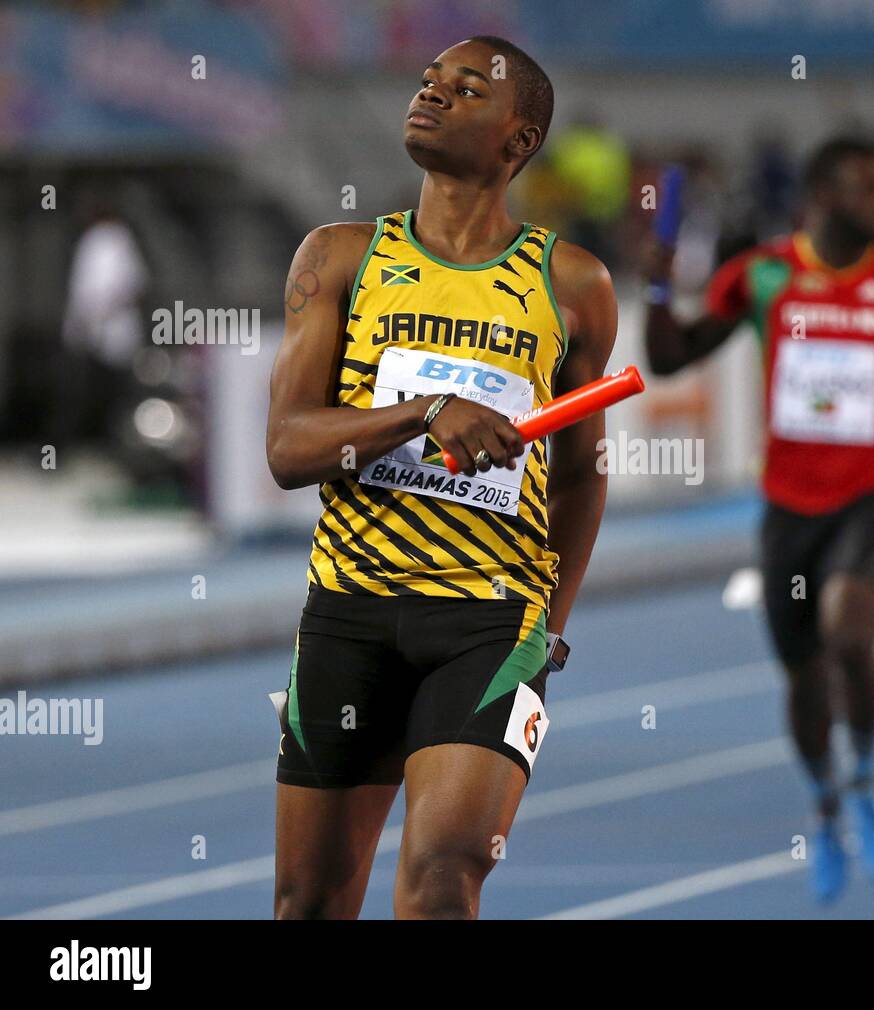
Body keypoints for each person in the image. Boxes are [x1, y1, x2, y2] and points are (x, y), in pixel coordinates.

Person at [265, 36, 617, 919]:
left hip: (490, 622)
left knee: (443, 875)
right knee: (307, 901)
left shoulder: (571, 284)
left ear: (518, 139)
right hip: (349, 612)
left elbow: (581, 475)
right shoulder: (340, 259)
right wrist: (424, 410)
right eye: (429, 82)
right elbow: (287, 449)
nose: (432, 94)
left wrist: (552, 626)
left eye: (466, 89)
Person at [644, 137, 874, 903]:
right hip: (789, 511)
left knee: (848, 632)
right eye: (872, 190)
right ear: (825, 196)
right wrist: (659, 290)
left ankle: (866, 776)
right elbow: (670, 360)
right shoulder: (765, 276)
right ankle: (828, 805)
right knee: (802, 672)